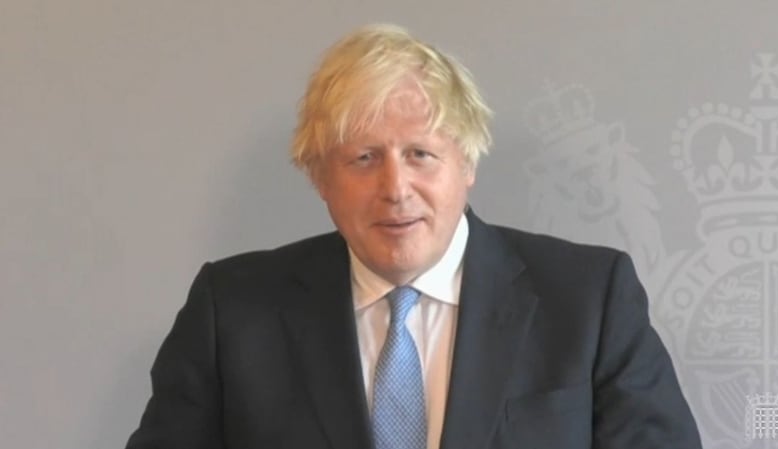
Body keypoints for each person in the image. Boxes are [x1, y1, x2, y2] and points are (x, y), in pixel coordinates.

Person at [126, 24, 702, 449]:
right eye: (364, 158)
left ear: (467, 164)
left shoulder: (588, 299)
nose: (395, 188)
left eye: (421, 154)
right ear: (320, 177)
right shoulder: (231, 310)